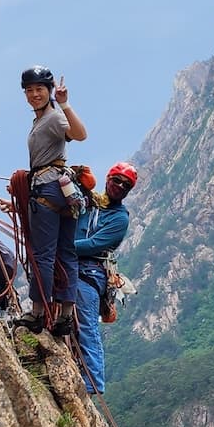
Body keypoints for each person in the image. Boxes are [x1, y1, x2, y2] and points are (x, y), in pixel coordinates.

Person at [19, 65, 87, 327]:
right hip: (63, 189)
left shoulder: (54, 118)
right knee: (66, 252)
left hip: (47, 189)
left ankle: (38, 313)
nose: (34, 94)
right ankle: (66, 316)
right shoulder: (41, 120)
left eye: (39, 89)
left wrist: (65, 104)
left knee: (43, 254)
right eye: (30, 90)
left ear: (49, 91)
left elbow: (80, 135)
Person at [71, 163, 136, 394]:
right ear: (108, 179)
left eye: (125, 185)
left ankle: (93, 383)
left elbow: (94, 244)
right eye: (117, 180)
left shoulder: (119, 218)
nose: (119, 186)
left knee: (87, 324)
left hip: (91, 271)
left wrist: (61, 246)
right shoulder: (89, 202)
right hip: (71, 264)